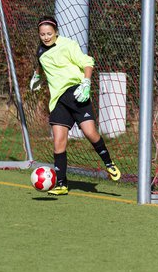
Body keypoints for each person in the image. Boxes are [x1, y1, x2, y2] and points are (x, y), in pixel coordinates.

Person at [30, 16, 121, 195]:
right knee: (58, 142)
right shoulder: (40, 51)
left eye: (49, 33)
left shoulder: (68, 45)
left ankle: (109, 163)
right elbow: (41, 65)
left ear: (56, 32)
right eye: (42, 34)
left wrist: (86, 83)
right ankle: (61, 184)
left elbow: (87, 62)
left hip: (77, 94)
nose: (46, 37)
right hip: (58, 101)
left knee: (90, 133)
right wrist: (37, 76)